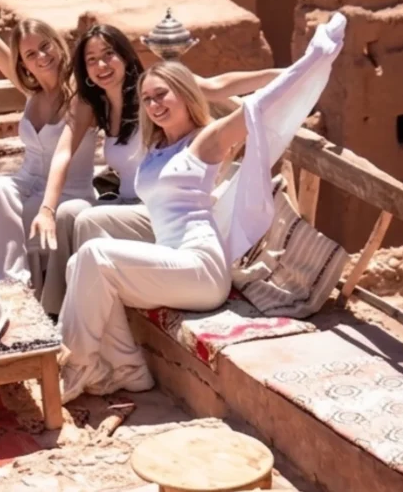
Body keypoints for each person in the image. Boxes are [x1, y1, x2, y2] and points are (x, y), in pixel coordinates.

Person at [57, 13, 348, 402]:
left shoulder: (205, 141)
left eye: (163, 95)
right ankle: (128, 368)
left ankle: (75, 364)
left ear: (183, 93)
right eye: (147, 99)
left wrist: (309, 63)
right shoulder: (156, 147)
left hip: (201, 268)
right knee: (81, 263)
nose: (155, 104)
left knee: (95, 254)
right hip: (171, 260)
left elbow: (259, 107)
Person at [37, 23, 284, 315]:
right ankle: (55, 311)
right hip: (127, 204)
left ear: (126, 56)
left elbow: (218, 87)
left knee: (89, 220)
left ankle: (91, 310)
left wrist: (285, 76)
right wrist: (46, 209)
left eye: (108, 54)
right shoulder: (94, 103)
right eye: (91, 60)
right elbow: (63, 152)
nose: (101, 65)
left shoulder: (153, 91)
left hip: (159, 209)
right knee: (68, 214)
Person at [0, 0, 97, 289]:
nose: (41, 57)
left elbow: (63, 155)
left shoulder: (79, 95)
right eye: (30, 54)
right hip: (24, 185)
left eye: (45, 46)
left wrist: (48, 209)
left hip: (66, 193)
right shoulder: (31, 90)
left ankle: (16, 284)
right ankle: (9, 283)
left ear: (57, 44)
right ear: (23, 64)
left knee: (12, 209)